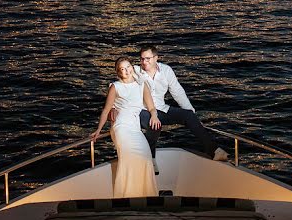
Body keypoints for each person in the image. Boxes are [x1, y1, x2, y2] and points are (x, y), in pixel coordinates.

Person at [134, 45, 228, 164]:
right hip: (142, 111)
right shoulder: (135, 71)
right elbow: (120, 87)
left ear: (156, 58)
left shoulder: (166, 70)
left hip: (161, 109)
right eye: (142, 59)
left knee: (188, 115)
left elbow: (177, 92)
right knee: (155, 125)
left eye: (148, 58)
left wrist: (190, 112)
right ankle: (149, 158)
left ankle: (214, 151)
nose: (144, 62)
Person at [92, 57, 161, 198]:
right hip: (121, 127)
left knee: (145, 157)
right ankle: (125, 197)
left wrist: (154, 116)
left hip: (135, 129)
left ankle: (147, 196)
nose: (127, 70)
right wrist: (98, 130)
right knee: (128, 159)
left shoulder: (142, 85)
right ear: (118, 73)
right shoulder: (115, 87)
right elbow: (106, 110)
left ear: (132, 67)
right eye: (122, 69)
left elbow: (152, 107)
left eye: (128, 66)